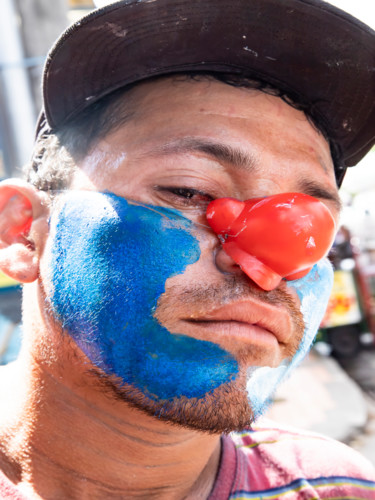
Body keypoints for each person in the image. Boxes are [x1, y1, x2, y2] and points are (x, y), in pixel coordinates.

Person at [0, 0, 374, 498]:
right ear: (24, 233)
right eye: (189, 191)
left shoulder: (341, 488)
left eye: (312, 225)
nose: (271, 272)